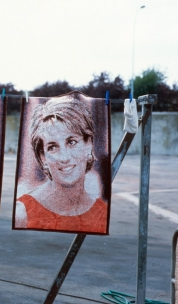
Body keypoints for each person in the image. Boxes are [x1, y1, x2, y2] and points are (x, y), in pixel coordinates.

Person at [14, 95, 108, 233]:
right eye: (52, 147)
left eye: (71, 142)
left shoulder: (102, 212)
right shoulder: (23, 213)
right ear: (43, 156)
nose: (64, 158)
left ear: (88, 144)